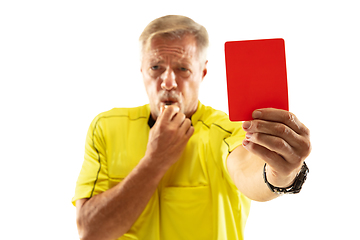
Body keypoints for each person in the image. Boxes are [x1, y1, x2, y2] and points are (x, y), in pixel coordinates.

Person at [72, 15, 311, 240]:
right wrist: (155, 161)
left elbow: (251, 172)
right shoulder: (106, 128)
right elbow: (91, 231)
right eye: (155, 67)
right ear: (142, 70)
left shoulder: (225, 131)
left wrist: (284, 173)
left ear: (202, 72)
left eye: (182, 68)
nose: (168, 82)